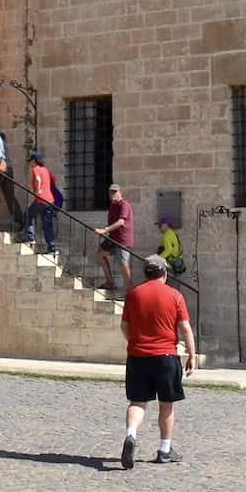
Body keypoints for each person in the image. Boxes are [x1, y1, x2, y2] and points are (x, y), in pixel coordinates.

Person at [119, 254, 197, 469]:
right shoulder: (175, 295)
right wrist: (192, 354)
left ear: (145, 273)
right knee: (166, 404)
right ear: (165, 273)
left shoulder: (133, 294)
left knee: (137, 402)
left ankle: (131, 435)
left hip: (138, 356)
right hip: (165, 356)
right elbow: (185, 327)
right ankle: (164, 449)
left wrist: (134, 342)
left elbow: (124, 326)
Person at [0, 120, 24, 232]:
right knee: (9, 195)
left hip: (1, 167)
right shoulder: (2, 139)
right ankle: (19, 220)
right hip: (9, 168)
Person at [96, 184, 135, 291]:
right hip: (113, 238)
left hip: (123, 240)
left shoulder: (124, 205)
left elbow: (121, 222)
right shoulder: (112, 206)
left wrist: (105, 230)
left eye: (115, 192)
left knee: (123, 264)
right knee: (100, 255)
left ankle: (130, 290)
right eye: (111, 192)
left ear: (120, 193)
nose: (113, 194)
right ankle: (109, 282)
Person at [23, 152, 58, 253]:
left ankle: (30, 239)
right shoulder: (46, 170)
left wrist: (38, 191)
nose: (30, 164)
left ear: (34, 161)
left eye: (31, 161)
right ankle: (52, 248)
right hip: (50, 200)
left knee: (28, 215)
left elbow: (38, 179)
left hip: (41, 199)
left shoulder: (35, 169)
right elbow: (54, 180)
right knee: (47, 225)